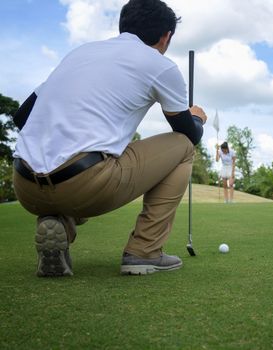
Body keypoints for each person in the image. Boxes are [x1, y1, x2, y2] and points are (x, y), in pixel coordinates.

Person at [11, 0, 208, 277]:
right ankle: (144, 251)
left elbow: (21, 117)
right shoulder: (160, 66)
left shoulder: (80, 53)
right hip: (85, 183)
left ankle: (60, 225)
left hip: (25, 185)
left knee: (91, 161)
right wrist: (197, 117)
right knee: (183, 148)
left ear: (122, 26)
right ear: (166, 37)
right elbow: (188, 134)